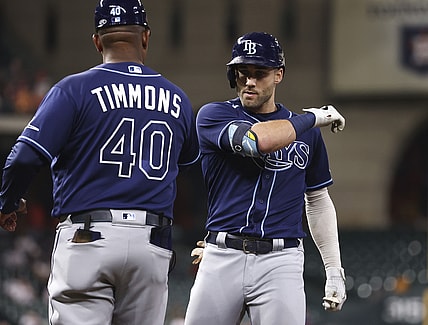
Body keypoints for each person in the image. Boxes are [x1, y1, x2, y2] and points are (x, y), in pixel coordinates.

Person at [0, 1, 200, 324]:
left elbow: (23, 157)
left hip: (88, 238)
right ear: (145, 38)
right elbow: (190, 165)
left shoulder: (73, 89)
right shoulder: (177, 98)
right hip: (152, 246)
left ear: (97, 41)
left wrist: (8, 202)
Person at [184, 32, 347, 325]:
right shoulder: (213, 115)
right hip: (223, 253)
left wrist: (333, 268)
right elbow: (254, 142)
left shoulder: (306, 134)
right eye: (242, 73)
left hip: (280, 261)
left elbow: (318, 201)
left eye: (260, 73)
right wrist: (313, 117)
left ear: (278, 75)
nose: (249, 81)